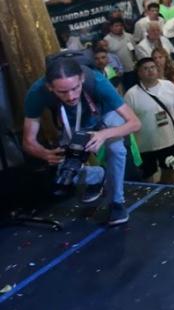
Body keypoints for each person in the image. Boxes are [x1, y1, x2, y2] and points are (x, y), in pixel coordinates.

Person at [22, 57, 141, 225]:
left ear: (82, 79)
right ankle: (98, 175)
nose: (71, 96)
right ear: (50, 87)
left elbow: (135, 123)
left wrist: (104, 134)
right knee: (67, 166)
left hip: (105, 112)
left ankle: (117, 202)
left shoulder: (98, 82)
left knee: (116, 149)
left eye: (75, 88)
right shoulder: (36, 93)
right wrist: (45, 154)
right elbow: (28, 142)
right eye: (62, 92)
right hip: (71, 120)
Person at [124, 58, 174, 184]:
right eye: (145, 68)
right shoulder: (131, 94)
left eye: (152, 67)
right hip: (145, 144)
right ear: (139, 73)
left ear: (157, 69)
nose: (150, 71)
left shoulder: (168, 85)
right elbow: (126, 120)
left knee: (170, 171)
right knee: (147, 175)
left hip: (169, 140)